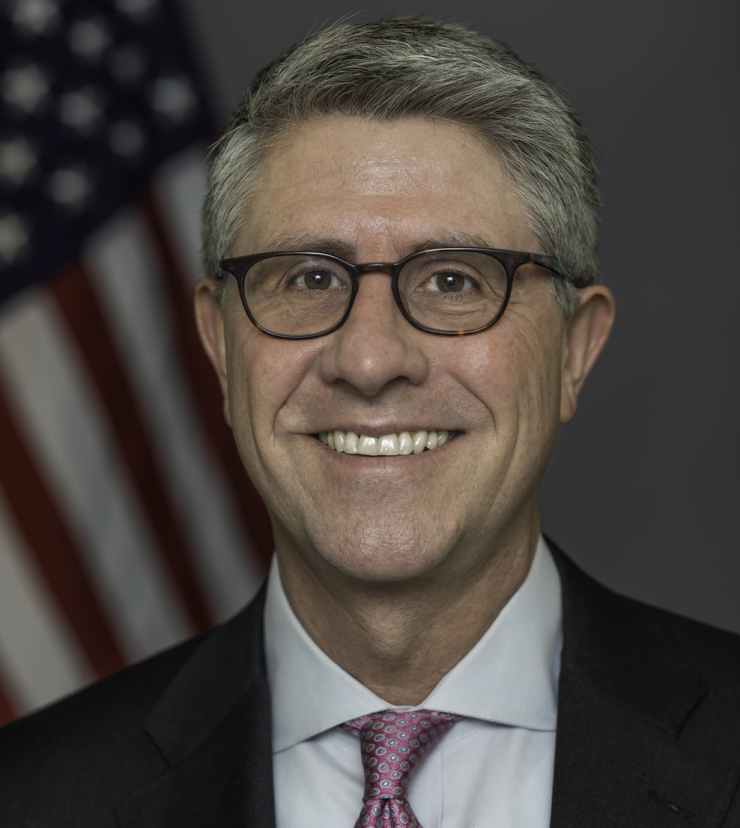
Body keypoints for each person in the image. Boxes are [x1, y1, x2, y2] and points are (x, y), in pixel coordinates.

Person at [1, 17, 739, 828]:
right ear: (218, 344)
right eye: (309, 279)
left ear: (574, 349)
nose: (369, 358)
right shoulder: (31, 798)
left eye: (454, 281)